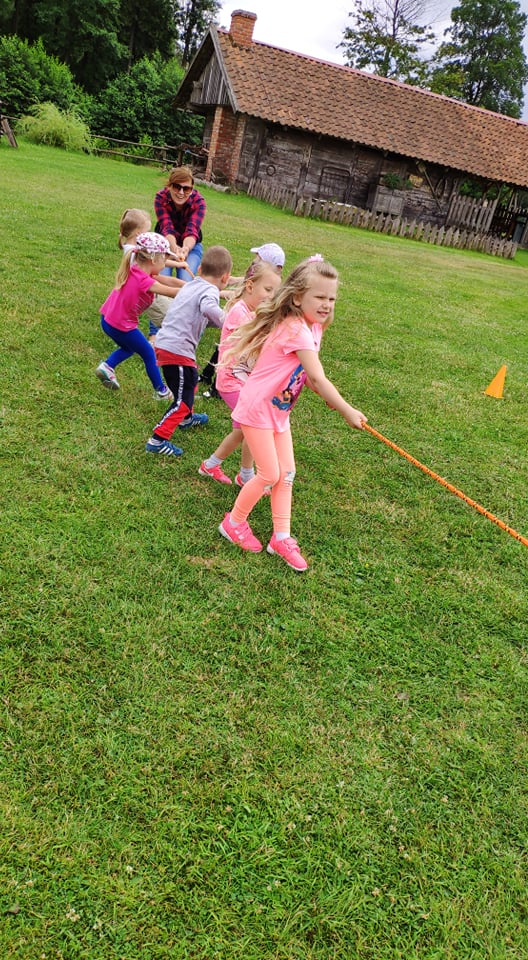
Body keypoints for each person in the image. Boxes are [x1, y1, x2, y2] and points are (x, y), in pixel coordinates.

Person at [217, 255, 367, 572]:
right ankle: (234, 522)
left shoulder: (314, 328)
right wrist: (346, 409)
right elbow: (318, 377)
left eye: (332, 298)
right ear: (297, 298)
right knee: (269, 474)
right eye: (320, 297)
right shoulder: (296, 328)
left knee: (286, 474)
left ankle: (281, 538)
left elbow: (305, 374)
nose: (327, 304)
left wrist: (323, 394)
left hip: (278, 410)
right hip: (258, 408)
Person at [198, 260, 282, 485]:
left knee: (244, 430)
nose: (271, 297)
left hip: (245, 382)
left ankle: (221, 468)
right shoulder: (240, 312)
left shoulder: (253, 312)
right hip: (231, 381)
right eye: (268, 290)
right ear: (250, 286)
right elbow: (257, 337)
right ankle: (234, 472)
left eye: (275, 293)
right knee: (253, 426)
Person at [145, 245, 233, 458]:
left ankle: (186, 418)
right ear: (225, 278)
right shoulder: (210, 291)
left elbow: (199, 315)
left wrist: (217, 322)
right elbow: (209, 309)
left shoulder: (192, 285)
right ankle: (157, 440)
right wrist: (230, 322)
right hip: (177, 349)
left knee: (190, 381)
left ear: (200, 268)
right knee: (183, 399)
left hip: (168, 344)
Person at [96, 232, 180, 397]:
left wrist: (195, 284)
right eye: (164, 259)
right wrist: (196, 291)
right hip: (121, 325)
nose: (165, 264)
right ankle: (161, 391)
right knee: (148, 353)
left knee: (129, 348)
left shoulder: (135, 268)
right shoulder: (144, 281)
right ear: (153, 259)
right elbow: (171, 291)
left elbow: (171, 282)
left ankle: (107, 366)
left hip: (107, 319)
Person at [200, 241, 286, 399]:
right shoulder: (242, 309)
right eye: (268, 290)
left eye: (258, 259)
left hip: (242, 375)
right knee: (223, 350)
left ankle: (210, 380)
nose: (254, 262)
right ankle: (211, 382)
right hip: (232, 379)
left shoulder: (259, 301)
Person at [117, 208, 185, 340]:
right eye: (147, 231)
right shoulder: (134, 252)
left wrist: (176, 262)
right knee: (171, 320)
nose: (148, 234)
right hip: (148, 294)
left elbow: (155, 260)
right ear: (138, 233)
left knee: (170, 318)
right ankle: (159, 342)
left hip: (147, 292)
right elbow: (155, 261)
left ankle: (160, 340)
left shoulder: (133, 249)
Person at [154, 165, 206, 282]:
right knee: (162, 279)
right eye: (177, 187)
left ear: (192, 189)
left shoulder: (199, 202)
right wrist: (174, 248)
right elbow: (167, 227)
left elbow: (192, 230)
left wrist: (185, 248)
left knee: (185, 280)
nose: (181, 192)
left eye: (186, 189)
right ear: (170, 186)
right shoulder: (160, 198)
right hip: (164, 243)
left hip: (191, 246)